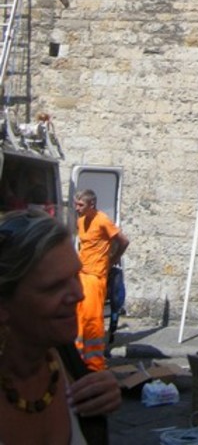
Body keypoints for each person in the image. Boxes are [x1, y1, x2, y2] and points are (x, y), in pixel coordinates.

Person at [0, 209, 122, 444]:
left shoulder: (66, 361)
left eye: (76, 276)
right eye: (54, 287)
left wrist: (101, 394)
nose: (78, 294)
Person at [74, 190, 129, 371]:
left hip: (96, 276)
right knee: (79, 317)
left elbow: (123, 241)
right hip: (81, 273)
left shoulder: (102, 220)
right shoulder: (80, 221)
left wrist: (112, 259)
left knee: (92, 320)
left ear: (92, 205)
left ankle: (95, 363)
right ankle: (78, 356)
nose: (77, 208)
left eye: (80, 205)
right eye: (76, 204)